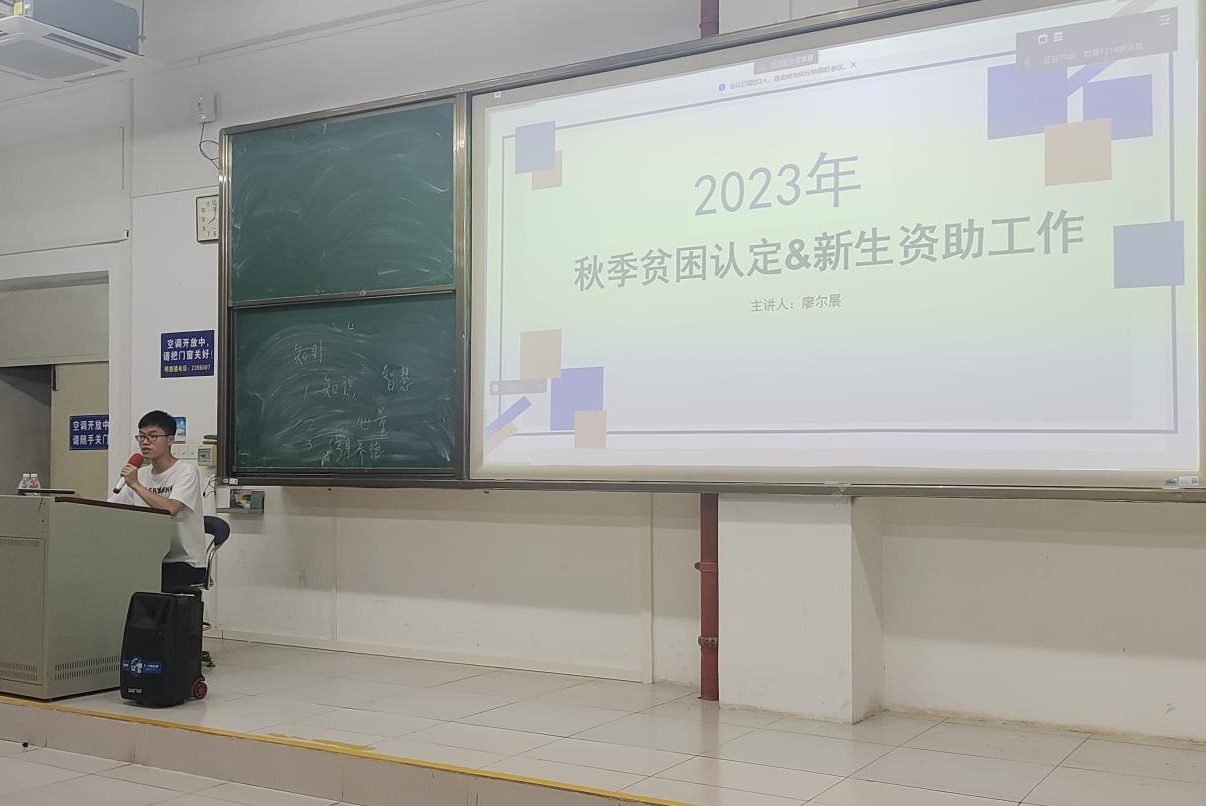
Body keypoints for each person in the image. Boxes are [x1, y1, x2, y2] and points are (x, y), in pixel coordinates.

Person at [108, 410, 207, 592]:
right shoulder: (140, 474)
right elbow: (109, 508)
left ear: (170, 440)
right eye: (141, 436)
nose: (145, 442)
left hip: (183, 561)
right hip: (148, 556)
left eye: (153, 436)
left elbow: (171, 509)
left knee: (151, 592)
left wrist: (136, 485)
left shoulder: (186, 472)